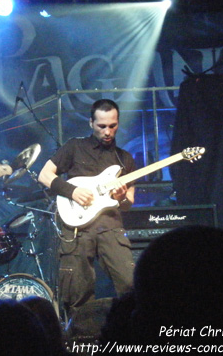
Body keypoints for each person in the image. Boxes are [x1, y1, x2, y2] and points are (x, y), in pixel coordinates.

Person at [38, 99, 136, 318]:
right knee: (77, 294)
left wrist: (121, 198)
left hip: (110, 228)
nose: (108, 131)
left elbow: (128, 203)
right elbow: (44, 175)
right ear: (91, 123)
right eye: (102, 126)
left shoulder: (125, 159)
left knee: (131, 285)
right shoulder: (75, 147)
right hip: (77, 229)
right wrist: (71, 191)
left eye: (112, 125)